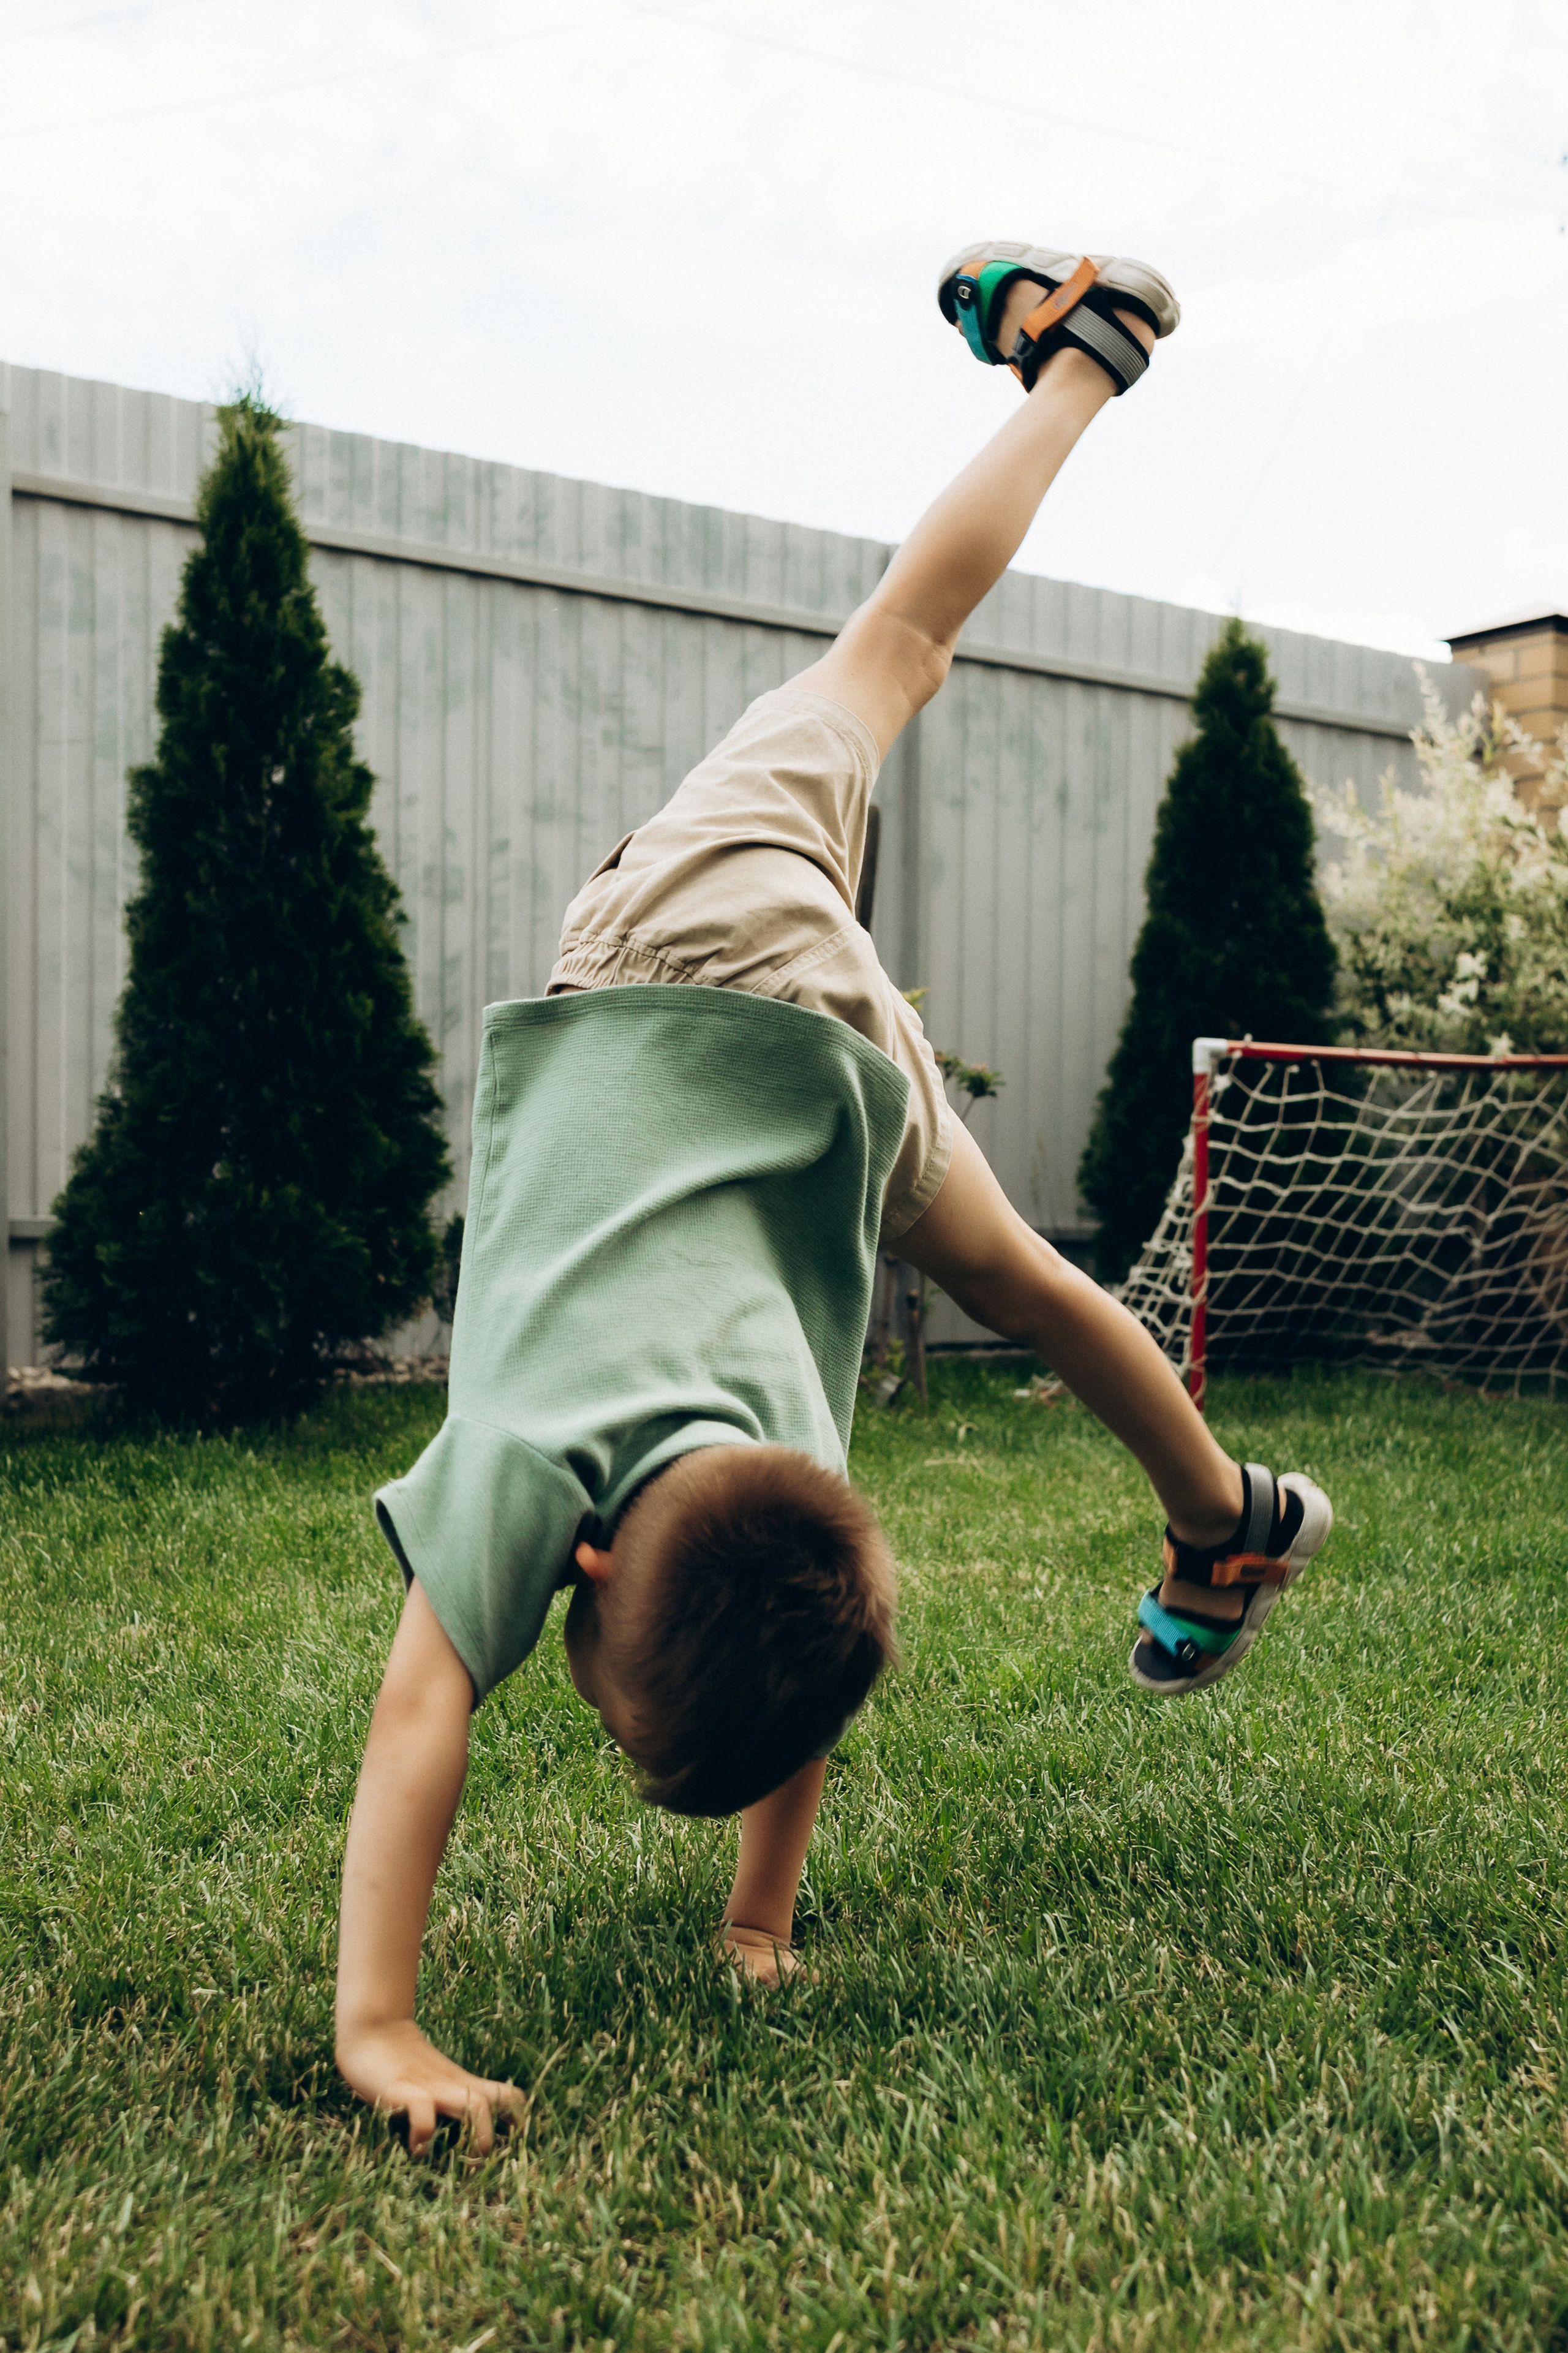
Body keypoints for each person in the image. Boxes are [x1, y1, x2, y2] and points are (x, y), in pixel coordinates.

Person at [334, 241, 1333, 2154]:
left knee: (1035, 1272)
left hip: (794, 1039)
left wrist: (404, 2018)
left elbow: (458, 1723)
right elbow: (444, 1712)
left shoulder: (772, 1475)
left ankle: (1229, 1518)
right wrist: (721, 1928)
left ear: (596, 1565)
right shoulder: (677, 1496)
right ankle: (1078, 368)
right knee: (895, 649)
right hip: (742, 995)